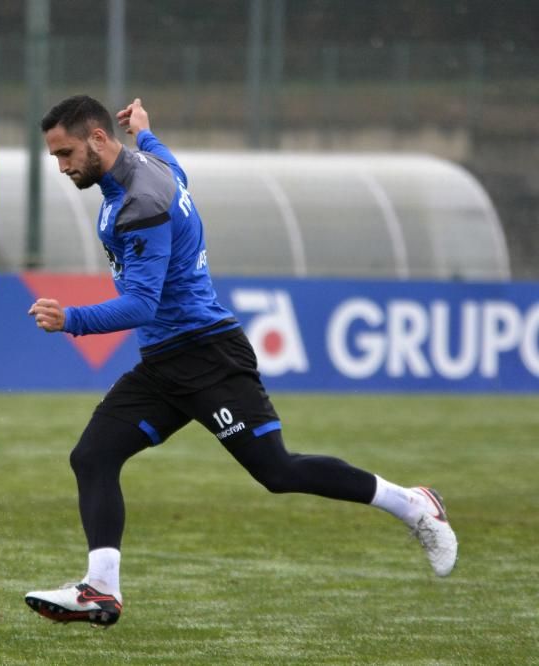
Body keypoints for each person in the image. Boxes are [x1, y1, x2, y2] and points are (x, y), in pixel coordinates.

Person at [23, 95, 457, 628]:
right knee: (92, 456)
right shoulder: (150, 165)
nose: (62, 167)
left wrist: (72, 319)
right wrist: (147, 131)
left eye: (65, 153)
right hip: (164, 362)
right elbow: (172, 165)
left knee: (278, 471)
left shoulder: (141, 203)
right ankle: (101, 591)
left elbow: (142, 303)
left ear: (96, 139)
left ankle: (413, 504)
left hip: (208, 355)